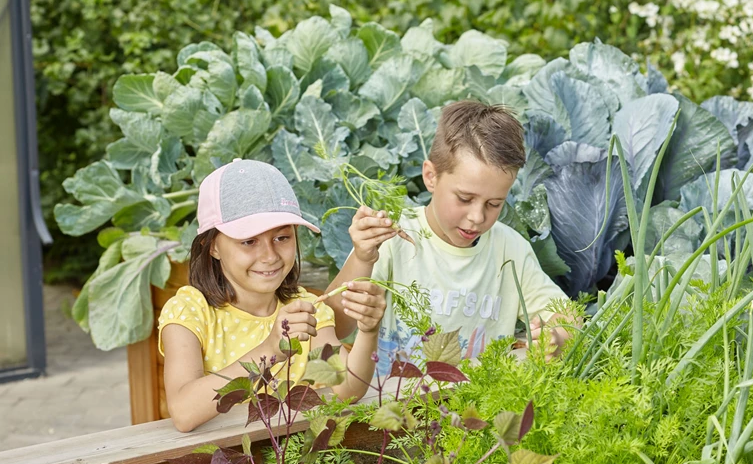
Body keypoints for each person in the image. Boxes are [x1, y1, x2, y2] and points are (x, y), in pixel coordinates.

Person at [325, 100, 573, 375]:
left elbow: (568, 317)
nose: (477, 217)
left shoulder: (510, 249)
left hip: (476, 407)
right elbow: (334, 326)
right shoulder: (394, 237)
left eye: (494, 204)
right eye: (465, 199)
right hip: (396, 407)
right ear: (431, 176)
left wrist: (557, 339)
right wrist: (362, 257)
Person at [159, 160, 385, 432]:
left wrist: (369, 330)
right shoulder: (190, 311)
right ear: (212, 247)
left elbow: (346, 388)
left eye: (282, 238)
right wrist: (269, 351)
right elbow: (183, 413)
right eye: (249, 241)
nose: (269, 256)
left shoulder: (306, 309)